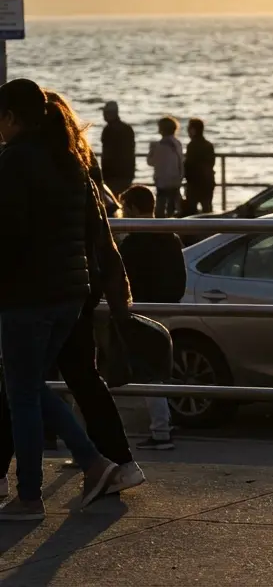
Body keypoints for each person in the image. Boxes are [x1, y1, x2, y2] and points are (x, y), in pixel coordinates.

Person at [0, 91, 148, 503]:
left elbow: (12, 233)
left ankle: (41, 490)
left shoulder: (20, 161)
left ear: (14, 117)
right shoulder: (72, 161)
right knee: (40, 383)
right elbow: (94, 229)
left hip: (36, 292)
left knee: (26, 387)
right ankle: (106, 463)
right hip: (74, 288)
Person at [119, 185, 186, 450]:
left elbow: (125, 278)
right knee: (160, 366)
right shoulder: (169, 234)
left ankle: (160, 432)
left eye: (125, 209)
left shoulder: (134, 242)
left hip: (144, 307)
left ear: (134, 208)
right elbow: (179, 277)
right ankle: (166, 422)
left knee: (149, 372)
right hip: (168, 305)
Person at [146, 116, 184, 218]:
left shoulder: (159, 145)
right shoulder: (177, 143)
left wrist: (151, 150)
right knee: (172, 208)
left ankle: (161, 229)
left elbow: (151, 162)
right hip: (175, 180)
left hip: (162, 182)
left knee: (160, 208)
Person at [182, 118, 216, 216]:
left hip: (195, 183)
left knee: (192, 210)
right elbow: (211, 163)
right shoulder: (208, 145)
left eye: (189, 128)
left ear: (193, 130)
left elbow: (189, 164)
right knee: (207, 209)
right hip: (208, 181)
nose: (188, 131)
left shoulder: (192, 145)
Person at [101, 101, 135, 195]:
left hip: (113, 173)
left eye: (105, 113)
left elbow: (108, 153)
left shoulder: (108, 130)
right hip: (126, 172)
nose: (103, 115)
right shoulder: (127, 128)